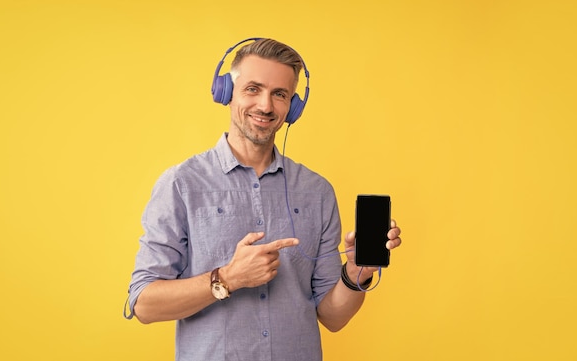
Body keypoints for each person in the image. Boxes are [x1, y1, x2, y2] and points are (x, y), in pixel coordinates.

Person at [125, 38, 402, 361]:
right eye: (253, 89)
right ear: (226, 92)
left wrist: (357, 273)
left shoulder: (317, 192)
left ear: (293, 107)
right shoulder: (182, 184)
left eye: (280, 94)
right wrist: (227, 278)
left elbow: (333, 318)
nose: (266, 106)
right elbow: (143, 303)